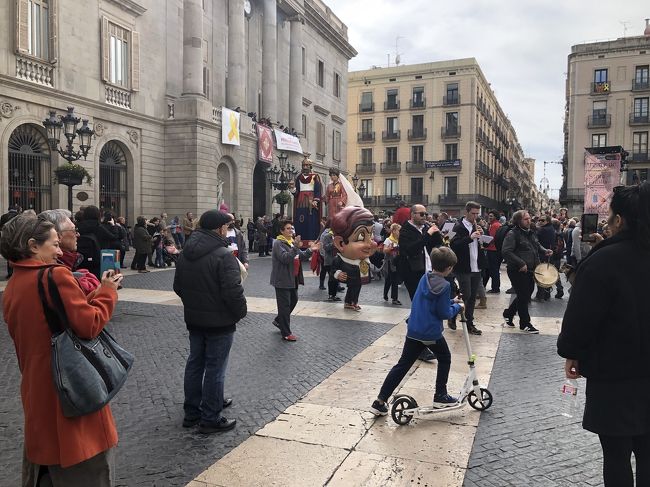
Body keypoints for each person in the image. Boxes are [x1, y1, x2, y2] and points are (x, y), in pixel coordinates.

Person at [1, 213, 122, 486]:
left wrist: (91, 295)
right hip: (71, 386)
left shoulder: (14, 285)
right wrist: (107, 293)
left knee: (47, 464)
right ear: (33, 245)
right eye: (54, 245)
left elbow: (53, 322)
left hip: (37, 387)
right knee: (87, 465)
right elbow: (89, 325)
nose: (59, 252)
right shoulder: (55, 275)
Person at [558, 183, 650, 487]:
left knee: (616, 455)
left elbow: (581, 319)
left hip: (614, 377)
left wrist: (572, 351)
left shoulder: (603, 261)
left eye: (608, 216)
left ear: (620, 220)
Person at [174, 210, 247, 434]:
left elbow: (178, 286)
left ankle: (192, 412)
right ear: (219, 228)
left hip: (195, 319)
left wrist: (195, 304)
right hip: (219, 321)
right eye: (227, 226)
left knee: (195, 364)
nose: (228, 229)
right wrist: (240, 312)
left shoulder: (186, 251)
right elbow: (232, 292)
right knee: (216, 367)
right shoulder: (223, 255)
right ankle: (211, 417)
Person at [370, 247, 464, 416]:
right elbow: (443, 313)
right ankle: (440, 395)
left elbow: (430, 301)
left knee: (402, 364)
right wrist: (457, 306)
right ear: (449, 268)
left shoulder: (424, 277)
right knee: (445, 358)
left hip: (414, 329)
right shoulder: (445, 285)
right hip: (430, 333)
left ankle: (380, 401)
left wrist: (451, 300)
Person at [398, 204, 443, 361]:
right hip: (413, 274)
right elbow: (410, 249)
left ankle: (415, 332)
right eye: (421, 214)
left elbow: (435, 245)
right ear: (412, 215)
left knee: (422, 310)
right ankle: (420, 348)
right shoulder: (405, 231)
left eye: (426, 214)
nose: (425, 217)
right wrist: (427, 235)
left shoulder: (425, 228)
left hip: (427, 272)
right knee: (422, 309)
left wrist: (437, 233)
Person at [501, 210, 553, 334]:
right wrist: (521, 263)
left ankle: (508, 313)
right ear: (518, 221)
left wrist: (545, 250)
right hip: (517, 270)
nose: (529, 220)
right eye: (525, 219)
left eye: (529, 218)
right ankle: (525, 324)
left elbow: (536, 245)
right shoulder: (512, 234)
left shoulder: (531, 233)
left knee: (525, 294)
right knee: (524, 296)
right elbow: (506, 251)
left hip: (531, 270)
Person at [270, 219, 319, 341]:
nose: (291, 230)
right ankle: (286, 333)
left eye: (291, 228)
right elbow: (285, 258)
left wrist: (310, 250)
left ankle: (278, 320)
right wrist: (296, 247)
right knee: (284, 306)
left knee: (294, 300)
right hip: (282, 279)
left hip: (293, 278)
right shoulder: (278, 243)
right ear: (282, 231)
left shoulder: (290, 242)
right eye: (288, 228)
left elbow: (300, 256)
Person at [38, 209, 101, 294]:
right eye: (73, 230)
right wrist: (107, 290)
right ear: (57, 235)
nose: (77, 234)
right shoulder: (53, 271)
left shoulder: (69, 261)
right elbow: (80, 305)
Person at [450, 201, 486, 336]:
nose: (475, 216)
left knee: (471, 297)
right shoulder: (457, 227)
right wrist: (470, 238)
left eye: (477, 213)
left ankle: (470, 323)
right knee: (467, 295)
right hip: (463, 266)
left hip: (476, 266)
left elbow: (483, 244)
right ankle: (452, 316)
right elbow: (453, 245)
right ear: (467, 212)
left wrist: (483, 236)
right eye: (473, 213)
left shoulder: (478, 226)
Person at [331, 206, 377, 311]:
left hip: (359, 277)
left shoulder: (363, 260)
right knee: (353, 289)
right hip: (351, 277)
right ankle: (350, 302)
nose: (370, 243)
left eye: (371, 235)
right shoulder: (339, 259)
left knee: (356, 289)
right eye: (361, 238)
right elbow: (333, 270)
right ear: (340, 243)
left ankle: (353, 302)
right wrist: (338, 274)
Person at [290, 157, 322, 244]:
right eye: (304, 165)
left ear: (310, 166)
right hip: (301, 202)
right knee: (301, 220)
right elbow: (296, 192)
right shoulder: (299, 177)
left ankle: (312, 241)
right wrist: (292, 188)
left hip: (311, 202)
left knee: (311, 222)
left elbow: (317, 190)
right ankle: (300, 241)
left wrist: (316, 200)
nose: (305, 167)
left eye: (307, 165)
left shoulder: (315, 177)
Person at [319, 223, 340, 301]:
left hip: (337, 260)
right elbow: (325, 247)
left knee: (336, 278)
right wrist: (333, 243)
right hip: (329, 260)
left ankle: (334, 294)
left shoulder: (338, 237)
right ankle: (331, 295)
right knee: (331, 278)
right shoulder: (327, 236)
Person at [382, 223, 402, 305]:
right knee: (389, 280)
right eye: (398, 230)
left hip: (397, 262)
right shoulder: (388, 240)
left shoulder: (400, 240)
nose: (399, 232)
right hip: (390, 262)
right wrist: (390, 248)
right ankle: (385, 294)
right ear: (393, 231)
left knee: (395, 280)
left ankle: (394, 298)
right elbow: (384, 250)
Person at [483, 210, 502, 293]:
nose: (489, 217)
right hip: (496, 250)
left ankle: (495, 288)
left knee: (493, 270)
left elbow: (491, 238)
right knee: (493, 269)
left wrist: (483, 240)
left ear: (495, 217)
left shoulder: (494, 225)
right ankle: (494, 287)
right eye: (489, 216)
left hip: (492, 250)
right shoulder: (498, 224)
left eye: (491, 216)